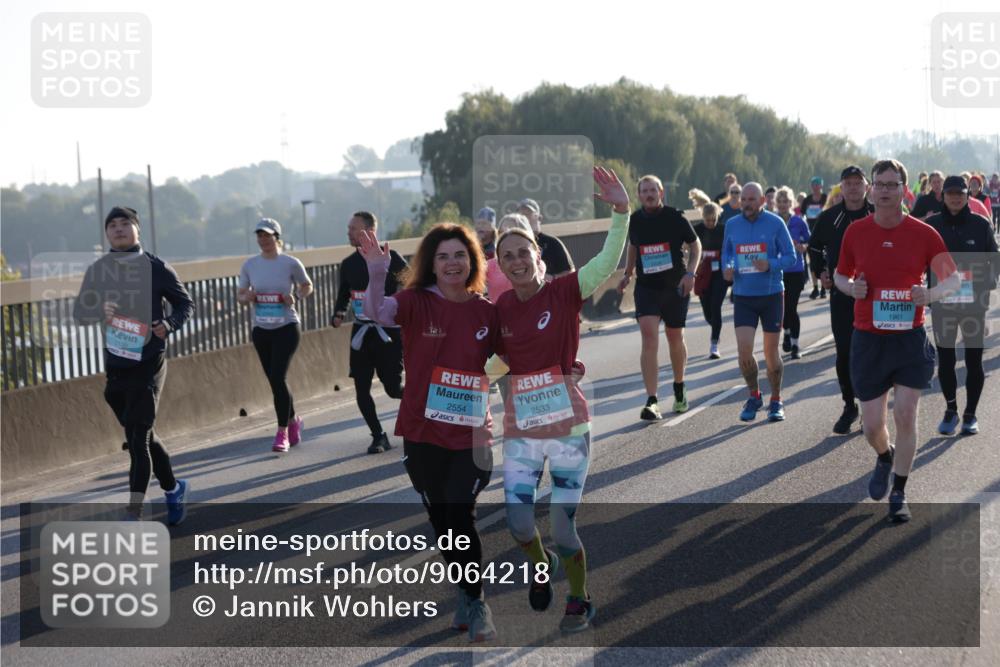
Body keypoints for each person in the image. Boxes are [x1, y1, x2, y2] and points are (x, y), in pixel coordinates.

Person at [493, 166, 629, 633]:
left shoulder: (566, 289)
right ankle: (541, 562)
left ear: (538, 253)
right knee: (516, 525)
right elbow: (486, 362)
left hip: (570, 428)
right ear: (500, 265)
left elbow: (608, 262)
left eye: (523, 251)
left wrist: (620, 212)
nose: (516, 260)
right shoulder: (501, 311)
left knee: (562, 526)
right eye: (506, 255)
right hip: (522, 433)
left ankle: (578, 597)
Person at [359, 223, 499, 642]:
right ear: (431, 265)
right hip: (422, 431)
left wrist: (565, 368)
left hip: (472, 434)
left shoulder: (486, 312)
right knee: (441, 520)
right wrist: (377, 271)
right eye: (443, 257)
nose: (452, 263)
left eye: (459, 255)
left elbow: (518, 354)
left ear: (472, 260)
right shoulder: (415, 302)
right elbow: (375, 312)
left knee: (460, 513)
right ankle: (465, 590)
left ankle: (477, 602)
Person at [834, 159, 960, 523]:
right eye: (880, 184)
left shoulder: (923, 233)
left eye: (892, 184)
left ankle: (900, 491)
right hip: (869, 339)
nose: (885, 190)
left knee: (906, 413)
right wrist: (851, 287)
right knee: (873, 425)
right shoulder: (856, 233)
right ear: (871, 189)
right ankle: (885, 455)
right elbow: (841, 277)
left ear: (905, 190)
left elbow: (952, 280)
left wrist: (929, 295)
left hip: (908, 338)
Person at [73, 206, 193, 523]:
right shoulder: (98, 270)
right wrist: (100, 310)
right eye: (112, 225)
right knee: (145, 436)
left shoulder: (156, 267)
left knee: (138, 441)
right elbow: (79, 314)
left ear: (137, 229)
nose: (118, 229)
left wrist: (169, 324)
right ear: (106, 233)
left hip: (149, 364)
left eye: (125, 223)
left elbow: (185, 304)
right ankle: (173, 488)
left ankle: (133, 513)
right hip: (116, 367)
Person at [618, 174, 701, 419]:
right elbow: (633, 246)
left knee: (675, 336)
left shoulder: (675, 217)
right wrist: (627, 273)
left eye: (653, 190)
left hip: (675, 287)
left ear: (661, 192)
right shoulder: (635, 221)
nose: (649, 194)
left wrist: (690, 274)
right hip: (647, 288)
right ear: (639, 195)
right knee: (649, 337)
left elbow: (696, 246)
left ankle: (679, 388)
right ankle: (652, 400)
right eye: (644, 191)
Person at [925, 175, 999, 436]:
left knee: (974, 360)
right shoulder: (932, 225)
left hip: (973, 306)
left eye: (960, 193)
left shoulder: (980, 224)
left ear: (968, 195)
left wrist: (986, 286)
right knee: (945, 361)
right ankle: (951, 409)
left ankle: (970, 414)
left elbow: (995, 259)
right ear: (943, 195)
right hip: (943, 305)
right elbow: (920, 260)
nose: (956, 197)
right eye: (951, 193)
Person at [331, 211, 407, 454]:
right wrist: (339, 312)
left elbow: (411, 282)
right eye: (349, 228)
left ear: (370, 232)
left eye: (354, 228)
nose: (349, 232)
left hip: (388, 333)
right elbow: (344, 292)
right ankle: (378, 436)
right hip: (361, 332)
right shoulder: (348, 264)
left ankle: (425, 413)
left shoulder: (391, 257)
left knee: (393, 388)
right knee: (361, 388)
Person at [722, 183, 797, 422]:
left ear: (763, 200)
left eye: (751, 199)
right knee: (744, 351)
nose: (746, 203)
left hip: (771, 294)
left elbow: (791, 257)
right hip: (743, 296)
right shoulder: (732, 225)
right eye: (743, 199)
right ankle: (754, 395)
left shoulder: (776, 223)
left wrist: (770, 265)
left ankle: (776, 399)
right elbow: (727, 254)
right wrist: (728, 268)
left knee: (770, 352)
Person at [807, 165, 874, 434]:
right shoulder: (829, 217)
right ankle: (849, 405)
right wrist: (822, 271)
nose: (854, 187)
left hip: (876, 293)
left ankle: (871, 405)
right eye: (848, 183)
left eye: (858, 182)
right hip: (842, 293)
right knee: (845, 351)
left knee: (872, 352)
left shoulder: (878, 213)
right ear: (841, 187)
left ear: (866, 186)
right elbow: (813, 247)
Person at [238, 218, 314, 453]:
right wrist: (247, 297)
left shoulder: (290, 262)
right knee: (274, 380)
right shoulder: (250, 265)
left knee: (278, 377)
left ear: (277, 238)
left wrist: (297, 297)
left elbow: (307, 285)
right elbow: (240, 295)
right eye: (259, 236)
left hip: (287, 327)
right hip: (262, 330)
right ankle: (293, 420)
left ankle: (282, 433)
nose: (263, 240)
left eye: (268, 235)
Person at [774, 187, 810, 359]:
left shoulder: (798, 221)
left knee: (791, 307)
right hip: (778, 270)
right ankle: (786, 333)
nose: (782, 205)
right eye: (779, 202)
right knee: (783, 308)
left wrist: (803, 247)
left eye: (786, 201)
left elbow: (809, 240)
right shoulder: (772, 221)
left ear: (791, 203)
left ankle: (795, 345)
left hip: (795, 270)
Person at [693, 202, 730, 359]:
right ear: (703, 218)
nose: (710, 223)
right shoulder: (697, 230)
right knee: (707, 311)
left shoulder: (723, 230)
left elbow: (731, 248)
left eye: (713, 220)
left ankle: (714, 344)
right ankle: (716, 327)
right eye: (707, 220)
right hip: (703, 273)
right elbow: (687, 245)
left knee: (716, 306)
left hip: (719, 273)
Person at [518, 198, 575, 278]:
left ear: (539, 218)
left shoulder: (552, 243)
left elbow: (570, 273)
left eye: (528, 214)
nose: (524, 219)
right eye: (521, 216)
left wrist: (551, 278)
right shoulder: (516, 245)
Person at [803, 176, 827, 299]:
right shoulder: (807, 200)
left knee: (824, 261)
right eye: (813, 184)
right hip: (810, 233)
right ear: (811, 186)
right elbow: (800, 214)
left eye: (818, 184)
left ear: (821, 186)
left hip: (824, 232)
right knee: (812, 262)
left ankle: (824, 288)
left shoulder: (825, 198)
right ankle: (815, 287)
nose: (816, 187)